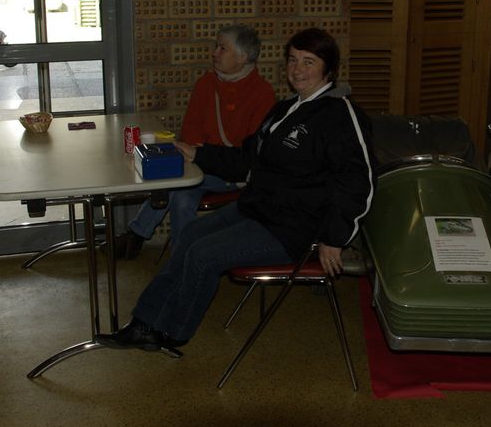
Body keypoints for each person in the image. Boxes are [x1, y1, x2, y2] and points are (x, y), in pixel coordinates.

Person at [106, 28, 375, 351]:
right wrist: (197, 152)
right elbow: (249, 158)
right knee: (190, 236)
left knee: (205, 255)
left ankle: (171, 332)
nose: (297, 70)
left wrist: (334, 238)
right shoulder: (286, 109)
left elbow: (359, 180)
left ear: (328, 69)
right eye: (292, 60)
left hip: (296, 228)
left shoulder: (341, 114)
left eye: (308, 62)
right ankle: (144, 322)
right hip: (259, 209)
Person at [114, 24, 276, 259]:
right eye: (216, 46)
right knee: (173, 184)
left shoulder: (263, 93)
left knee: (177, 189)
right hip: (201, 162)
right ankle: (170, 252)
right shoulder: (207, 83)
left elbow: (248, 155)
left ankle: (153, 243)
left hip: (234, 174)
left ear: (243, 57)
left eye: (222, 48)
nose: (214, 53)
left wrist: (202, 155)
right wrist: (195, 155)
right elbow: (190, 129)